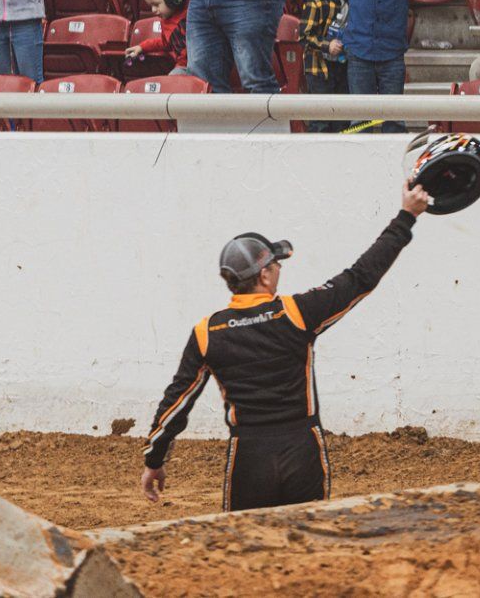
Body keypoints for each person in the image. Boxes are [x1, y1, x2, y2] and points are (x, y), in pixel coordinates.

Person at [140, 180, 435, 512]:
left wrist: (155, 458)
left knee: (248, 550)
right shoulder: (295, 313)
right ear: (264, 275)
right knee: (308, 546)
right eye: (277, 265)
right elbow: (361, 276)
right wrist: (406, 217)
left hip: (248, 456)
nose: (279, 271)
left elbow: (177, 402)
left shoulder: (208, 331)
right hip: (302, 450)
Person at [296, 0, 346, 113]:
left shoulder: (351, 0)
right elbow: (304, 37)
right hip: (319, 71)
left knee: (342, 118)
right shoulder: (316, 3)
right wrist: (327, 45)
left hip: (342, 69)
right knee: (321, 119)